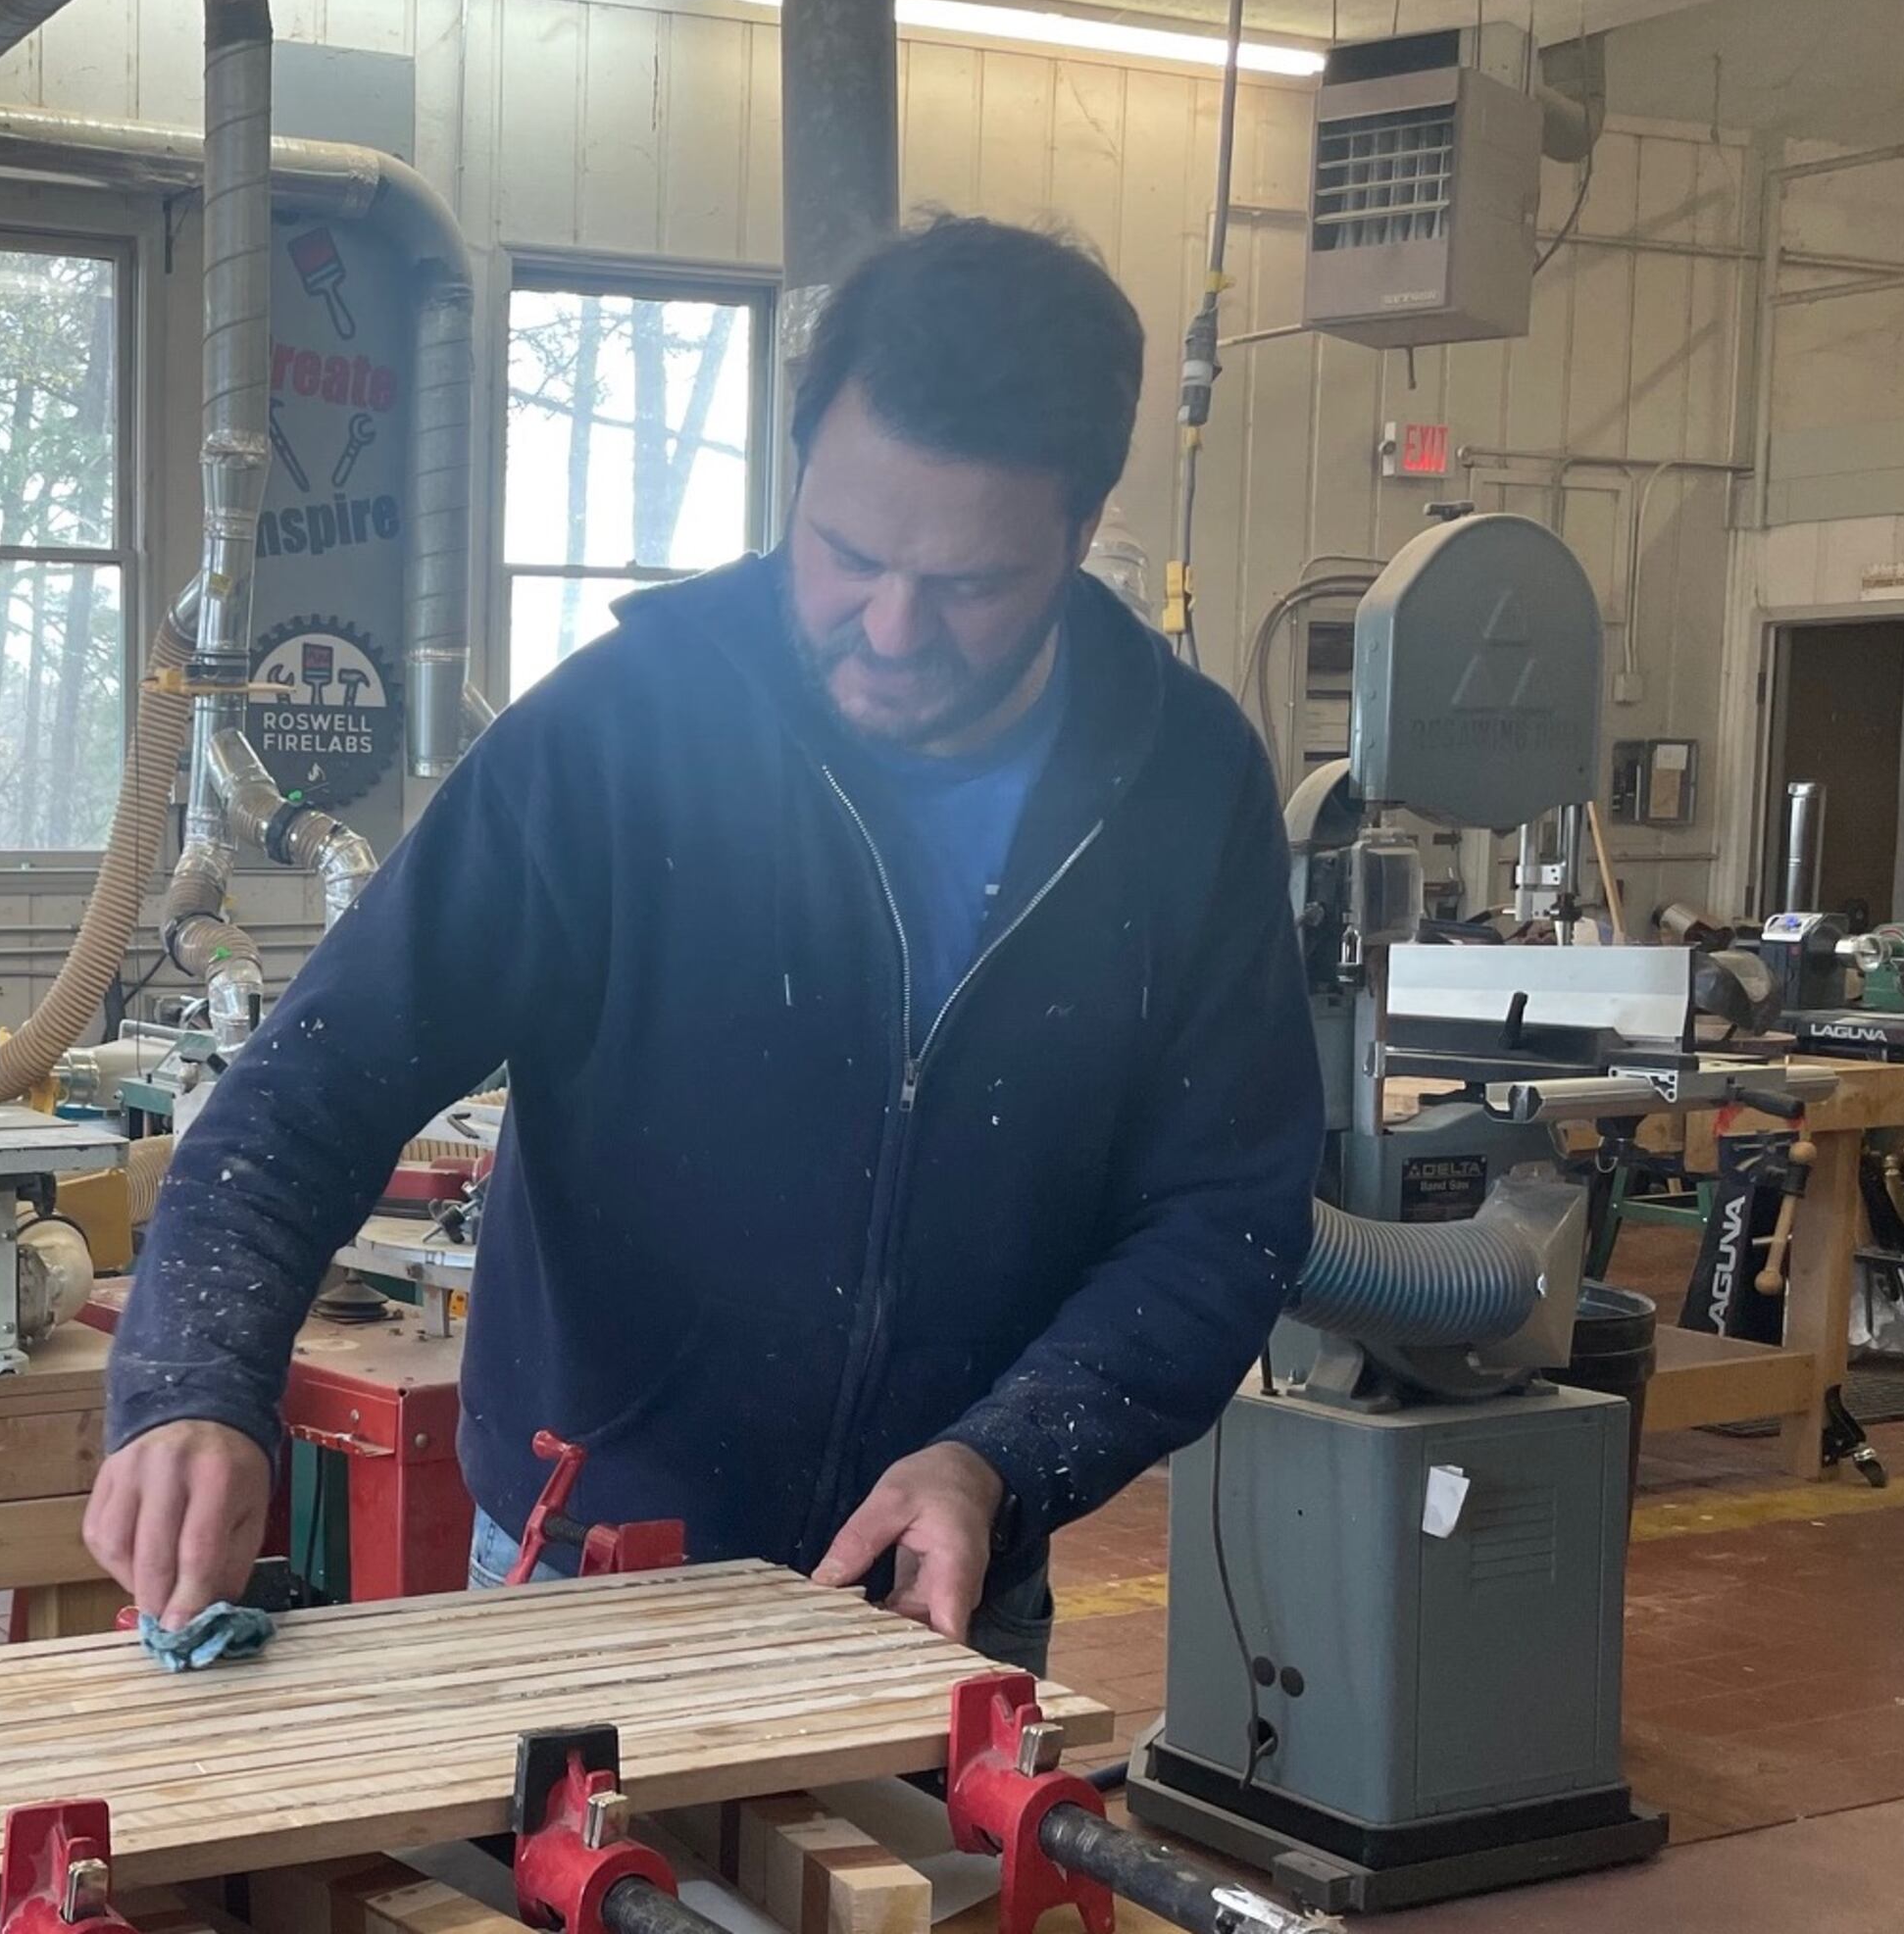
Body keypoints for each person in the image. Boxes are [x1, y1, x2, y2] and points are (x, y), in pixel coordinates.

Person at [87, 217, 1325, 1672]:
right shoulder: (618, 737)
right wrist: (191, 1385)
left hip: (937, 1584)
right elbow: (309, 1091)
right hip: (585, 1564)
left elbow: (1223, 1218)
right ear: (799, 469)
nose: (889, 624)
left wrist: (1001, 1459)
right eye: (847, 553)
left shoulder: (1182, 785)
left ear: (1081, 530)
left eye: (970, 584)